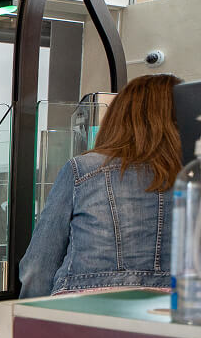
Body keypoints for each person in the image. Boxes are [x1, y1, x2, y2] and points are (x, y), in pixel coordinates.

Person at [19, 74, 182, 298]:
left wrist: (29, 322)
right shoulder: (193, 177)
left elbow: (37, 267)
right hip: (174, 312)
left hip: (85, 310)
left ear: (119, 117)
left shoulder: (83, 170)